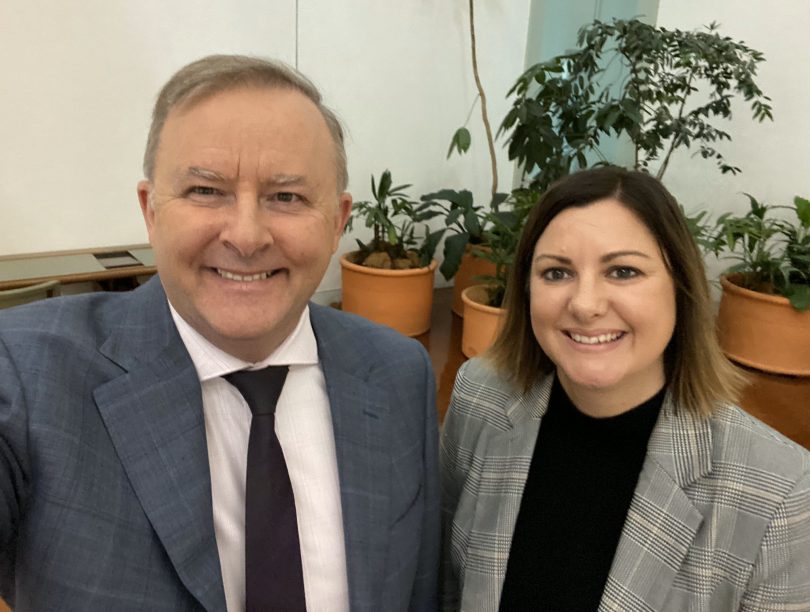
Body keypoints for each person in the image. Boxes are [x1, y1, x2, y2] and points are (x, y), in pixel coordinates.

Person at [0, 55, 439, 611]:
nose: (248, 235)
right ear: (151, 211)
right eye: (207, 191)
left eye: (287, 197)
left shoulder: (399, 373)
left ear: (337, 222)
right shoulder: (24, 372)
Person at [440, 167, 810, 611]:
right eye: (556, 273)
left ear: (680, 287)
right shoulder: (480, 398)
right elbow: (446, 586)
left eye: (623, 271)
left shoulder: (778, 491)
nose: (585, 304)